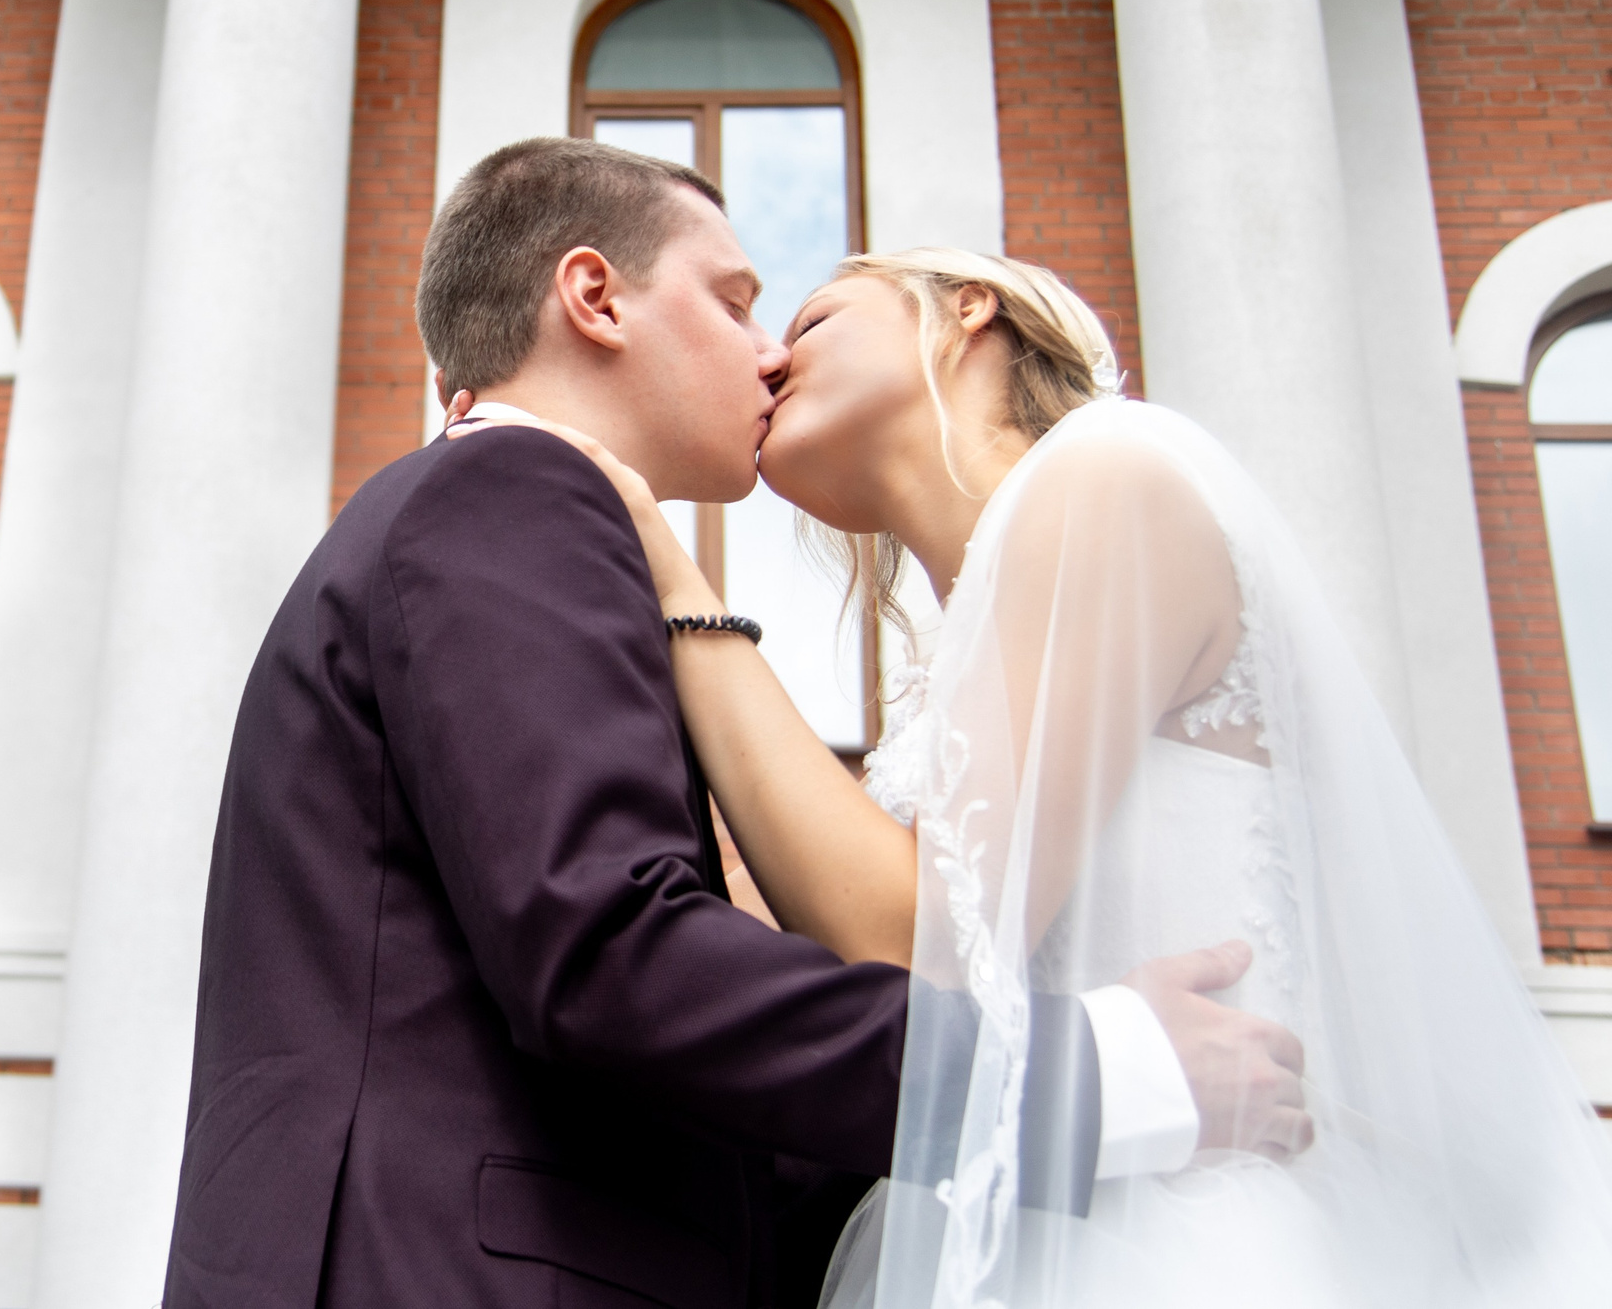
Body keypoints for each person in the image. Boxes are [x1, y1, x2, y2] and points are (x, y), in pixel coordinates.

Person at [162, 137, 1308, 1309]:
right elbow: (613, 957)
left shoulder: (1100, 503)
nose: (768, 358)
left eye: (794, 320)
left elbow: (706, 1054)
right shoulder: (508, 488)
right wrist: (1103, 1078)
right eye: (740, 303)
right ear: (595, 298)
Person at [475, 244, 1612, 1308]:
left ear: (970, 309)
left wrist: (671, 576)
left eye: (813, 315)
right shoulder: (964, 666)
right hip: (1007, 1224)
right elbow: (777, 979)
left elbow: (918, 946)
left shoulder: (1108, 474)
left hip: (1170, 1238)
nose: (769, 355)